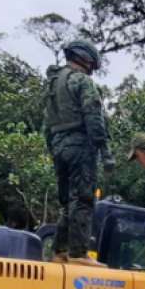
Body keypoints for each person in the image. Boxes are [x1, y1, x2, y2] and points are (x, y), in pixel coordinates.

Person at [41, 40, 115, 267]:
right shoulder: (82, 81)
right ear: (86, 59)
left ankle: (60, 252)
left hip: (59, 146)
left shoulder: (53, 84)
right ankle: (79, 253)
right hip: (80, 146)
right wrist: (106, 152)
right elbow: (94, 118)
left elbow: (46, 124)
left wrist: (55, 149)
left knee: (67, 202)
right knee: (83, 199)